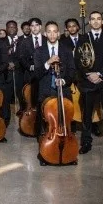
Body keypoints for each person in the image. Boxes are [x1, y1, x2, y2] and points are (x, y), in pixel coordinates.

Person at [75, 11, 103, 156]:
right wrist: (88, 76)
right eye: (92, 19)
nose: (95, 21)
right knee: (87, 115)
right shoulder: (83, 38)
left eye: (98, 19)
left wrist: (99, 74)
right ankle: (86, 142)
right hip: (88, 81)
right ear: (89, 22)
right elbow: (78, 60)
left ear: (102, 22)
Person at [32, 21, 77, 163]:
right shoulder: (39, 51)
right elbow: (37, 74)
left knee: (64, 122)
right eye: (49, 31)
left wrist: (64, 81)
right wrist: (48, 62)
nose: (52, 34)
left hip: (63, 90)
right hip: (46, 91)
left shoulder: (66, 49)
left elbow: (72, 70)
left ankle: (66, 151)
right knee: (46, 124)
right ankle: (46, 152)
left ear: (58, 33)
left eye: (54, 31)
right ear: (45, 34)